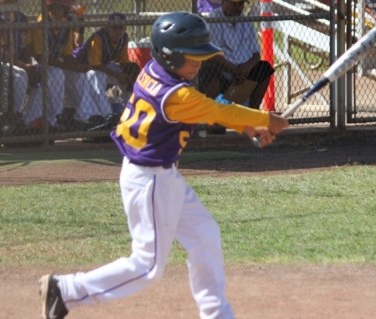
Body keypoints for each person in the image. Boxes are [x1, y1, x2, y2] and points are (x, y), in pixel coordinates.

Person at [39, 11, 289, 319]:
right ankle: (66, 290)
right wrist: (265, 119)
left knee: (204, 234)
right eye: (191, 57)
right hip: (150, 181)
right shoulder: (178, 93)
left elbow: (209, 111)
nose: (198, 64)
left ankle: (216, 313)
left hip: (160, 176)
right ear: (169, 56)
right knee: (147, 266)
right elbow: (215, 111)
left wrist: (249, 127)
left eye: (200, 56)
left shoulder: (155, 70)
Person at [198, 0, 275, 133]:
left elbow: (256, 54)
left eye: (240, 4)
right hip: (223, 68)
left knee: (264, 68)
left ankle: (251, 115)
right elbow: (213, 54)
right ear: (223, 2)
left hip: (243, 70)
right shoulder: (213, 20)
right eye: (233, 3)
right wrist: (234, 69)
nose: (237, 7)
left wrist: (245, 69)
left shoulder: (246, 21)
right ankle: (213, 119)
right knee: (209, 70)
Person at [23, 0, 88, 130]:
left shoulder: (64, 24)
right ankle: (53, 119)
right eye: (56, 7)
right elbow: (41, 57)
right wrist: (67, 65)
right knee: (56, 74)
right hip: (37, 64)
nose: (60, 12)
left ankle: (82, 116)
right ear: (49, 8)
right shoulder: (40, 25)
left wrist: (76, 66)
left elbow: (68, 53)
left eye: (62, 8)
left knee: (78, 75)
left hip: (57, 63)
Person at [71, 12, 140, 124]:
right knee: (98, 76)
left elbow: (122, 61)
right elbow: (95, 65)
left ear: (125, 28)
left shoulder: (124, 38)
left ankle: (130, 111)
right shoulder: (99, 38)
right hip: (83, 67)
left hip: (103, 66)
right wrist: (118, 75)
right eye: (114, 28)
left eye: (121, 28)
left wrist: (128, 73)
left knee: (130, 74)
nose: (118, 31)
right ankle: (107, 115)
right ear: (107, 28)